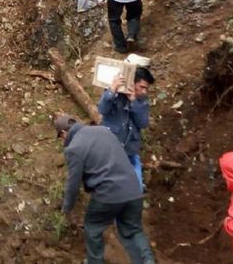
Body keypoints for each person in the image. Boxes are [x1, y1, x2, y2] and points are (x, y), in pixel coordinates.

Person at [54, 114, 156, 264]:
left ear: (63, 133)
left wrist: (66, 207)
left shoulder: (74, 148)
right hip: (133, 189)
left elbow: (73, 183)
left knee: (93, 226)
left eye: (60, 138)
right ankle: (148, 261)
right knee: (133, 230)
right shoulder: (103, 131)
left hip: (108, 193)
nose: (63, 142)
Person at [97, 63, 155, 189]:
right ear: (132, 83)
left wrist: (134, 101)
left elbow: (143, 123)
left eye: (146, 88)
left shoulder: (142, 102)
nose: (144, 91)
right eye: (142, 87)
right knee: (111, 187)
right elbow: (102, 109)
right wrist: (112, 90)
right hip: (111, 150)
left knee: (136, 188)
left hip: (130, 151)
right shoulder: (114, 94)